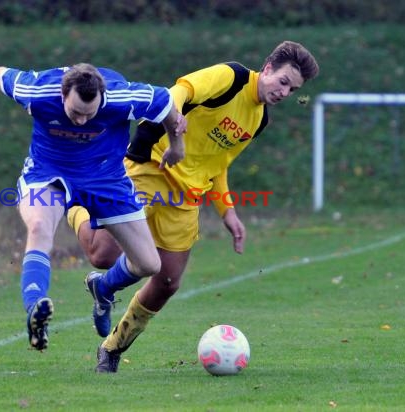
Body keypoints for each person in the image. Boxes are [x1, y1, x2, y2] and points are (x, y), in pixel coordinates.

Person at [67, 41, 319, 372]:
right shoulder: (231, 77)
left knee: (168, 281)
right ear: (268, 68)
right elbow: (178, 93)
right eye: (283, 81)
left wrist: (227, 211)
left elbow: (217, 163)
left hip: (185, 197)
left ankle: (112, 348)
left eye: (293, 89)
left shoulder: (259, 120)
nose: (285, 92)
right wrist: (177, 139)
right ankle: (74, 198)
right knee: (102, 255)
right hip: (150, 166)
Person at [0, 63, 186, 351]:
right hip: (49, 174)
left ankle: (103, 288)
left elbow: (165, 102)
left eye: (90, 114)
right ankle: (35, 310)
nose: (81, 121)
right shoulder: (38, 90)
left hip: (106, 178)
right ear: (62, 95)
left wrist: (177, 146)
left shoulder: (121, 97)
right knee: (39, 227)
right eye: (75, 113)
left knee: (149, 264)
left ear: (102, 96)